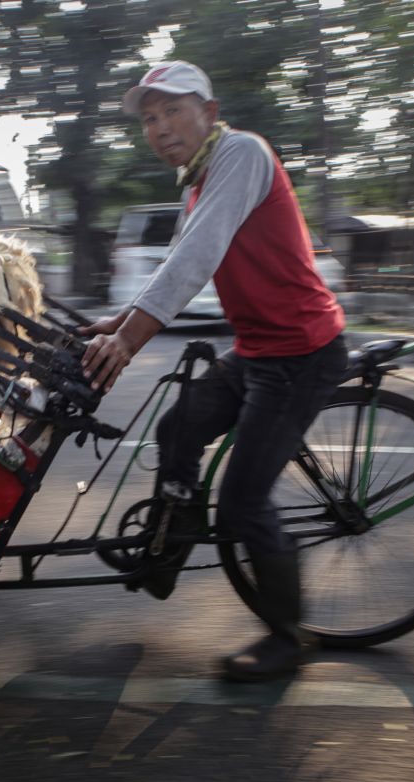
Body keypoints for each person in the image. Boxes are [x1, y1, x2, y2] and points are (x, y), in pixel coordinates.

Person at [80, 61, 348, 682]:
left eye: (173, 109)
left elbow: (198, 257)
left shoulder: (242, 154)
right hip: (256, 351)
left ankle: (287, 639)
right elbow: (178, 261)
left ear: (210, 110)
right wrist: (117, 323)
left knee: (244, 504)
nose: (160, 126)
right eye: (149, 117)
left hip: (301, 354)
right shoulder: (195, 183)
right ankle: (169, 547)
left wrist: (131, 341)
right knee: (178, 428)